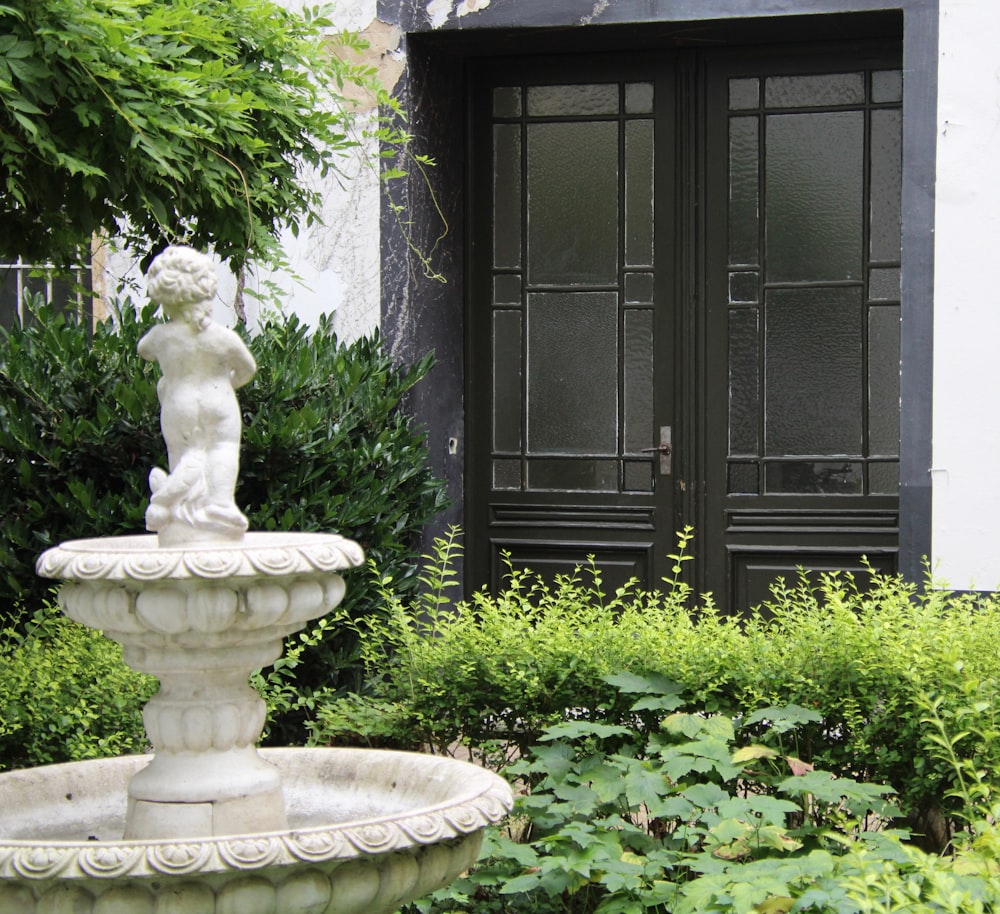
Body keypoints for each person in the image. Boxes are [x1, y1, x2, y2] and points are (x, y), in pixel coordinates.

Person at [137, 246, 257, 544]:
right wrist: (227, 382)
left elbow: (144, 351)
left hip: (179, 404)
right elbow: (247, 370)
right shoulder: (222, 338)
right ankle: (219, 504)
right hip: (219, 401)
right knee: (224, 449)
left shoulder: (161, 337)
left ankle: (178, 513)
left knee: (181, 454)